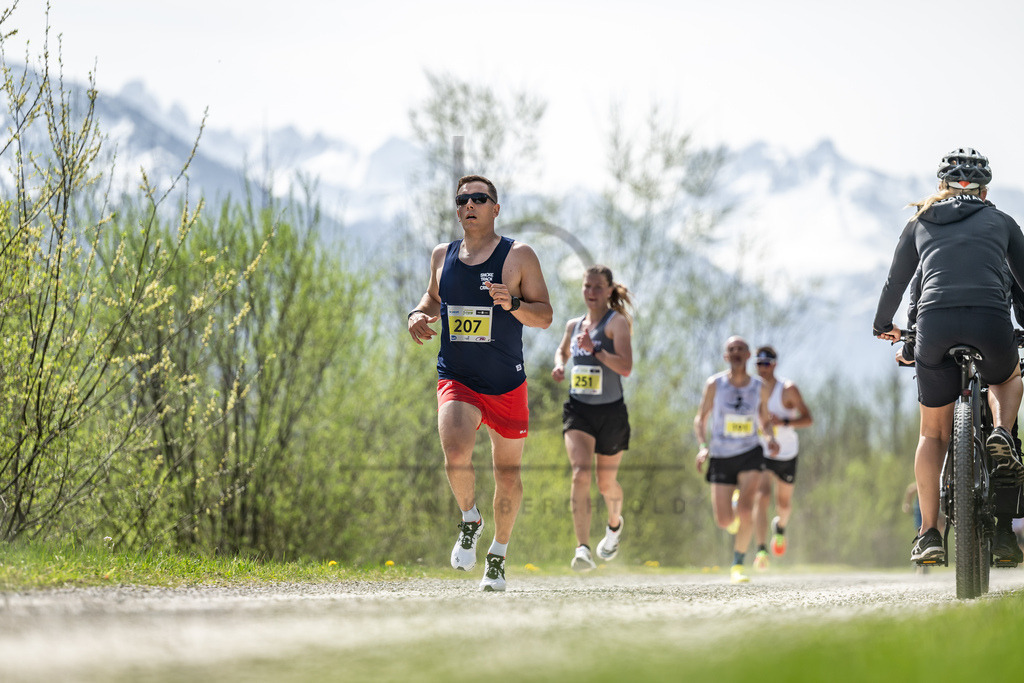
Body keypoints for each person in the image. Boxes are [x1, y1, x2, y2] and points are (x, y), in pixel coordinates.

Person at [873, 148, 1024, 565]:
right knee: (1007, 380)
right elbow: (1022, 284)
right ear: (985, 189)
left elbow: (898, 281)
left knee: (932, 434)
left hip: (934, 328)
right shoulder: (1003, 223)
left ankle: (929, 533)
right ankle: (1003, 434)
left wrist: (883, 324)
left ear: (941, 186)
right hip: (991, 322)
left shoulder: (920, 220)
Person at [408, 174, 553, 591]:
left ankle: (498, 555)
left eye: (479, 198)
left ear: (495, 208)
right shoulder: (442, 255)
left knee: (507, 475)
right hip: (458, 377)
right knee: (455, 450)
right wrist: (417, 315)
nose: (469, 204)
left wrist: (514, 303)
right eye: (462, 199)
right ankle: (470, 518)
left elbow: (544, 316)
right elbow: (432, 298)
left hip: (506, 384)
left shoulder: (519, 256)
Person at [552, 266, 634, 571]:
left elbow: (626, 366)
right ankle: (582, 548)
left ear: (610, 290)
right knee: (580, 473)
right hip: (579, 410)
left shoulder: (617, 324)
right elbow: (561, 352)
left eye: (599, 287)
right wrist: (560, 366)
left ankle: (614, 527)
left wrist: (596, 350)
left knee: (605, 483)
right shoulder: (573, 325)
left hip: (611, 412)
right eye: (587, 286)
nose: (591, 292)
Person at [695, 336, 780, 584]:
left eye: (741, 349)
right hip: (721, 454)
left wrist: (770, 438)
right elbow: (701, 418)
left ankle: (737, 565)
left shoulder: (759, 387)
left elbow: (764, 419)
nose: (736, 353)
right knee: (724, 520)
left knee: (746, 509)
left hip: (749, 452)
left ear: (748, 355)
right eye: (731, 349)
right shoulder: (715, 384)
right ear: (726, 356)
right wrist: (702, 447)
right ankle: (732, 510)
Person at [750, 346, 813, 571]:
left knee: (784, 505)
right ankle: (761, 550)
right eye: (758, 363)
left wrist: (784, 423)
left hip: (787, 453)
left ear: (774, 364)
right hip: (765, 451)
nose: (761, 368)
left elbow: (808, 419)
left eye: (766, 363)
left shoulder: (788, 389)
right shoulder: (752, 389)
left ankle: (780, 527)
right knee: (762, 495)